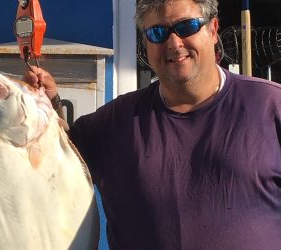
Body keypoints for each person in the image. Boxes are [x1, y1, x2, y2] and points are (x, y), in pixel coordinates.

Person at [24, 0, 281, 249]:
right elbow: (58, 157)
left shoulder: (270, 106)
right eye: (157, 32)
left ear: (213, 30)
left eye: (186, 26)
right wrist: (47, 103)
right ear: (146, 42)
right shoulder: (116, 121)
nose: (174, 43)